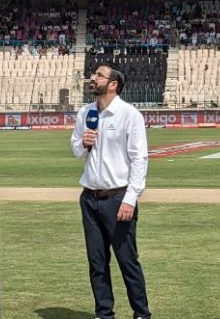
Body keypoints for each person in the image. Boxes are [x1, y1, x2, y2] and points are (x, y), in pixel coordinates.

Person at [70, 63, 152, 319]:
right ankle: (104, 314)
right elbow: (75, 149)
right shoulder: (85, 113)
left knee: (127, 260)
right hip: (89, 197)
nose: (93, 78)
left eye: (99, 75)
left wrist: (130, 199)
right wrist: (84, 143)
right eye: (94, 75)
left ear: (113, 84)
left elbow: (140, 159)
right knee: (96, 262)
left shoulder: (129, 115)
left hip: (118, 198)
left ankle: (141, 314)